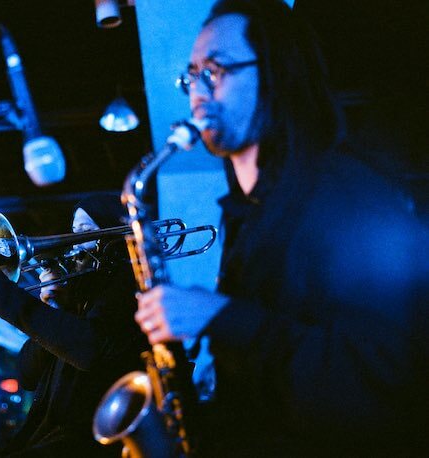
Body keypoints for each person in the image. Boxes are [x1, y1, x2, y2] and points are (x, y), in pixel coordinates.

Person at [134, 0, 429, 455]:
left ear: (275, 75)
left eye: (216, 69)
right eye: (192, 74)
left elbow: (376, 387)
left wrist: (220, 316)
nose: (197, 90)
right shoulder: (247, 210)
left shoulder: (348, 197)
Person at [0, 193, 148, 457]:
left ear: (115, 234)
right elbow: (26, 375)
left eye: (85, 231)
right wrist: (54, 307)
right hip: (42, 436)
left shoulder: (129, 289)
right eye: (74, 231)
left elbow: (89, 349)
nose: (74, 244)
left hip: (91, 443)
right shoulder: (78, 297)